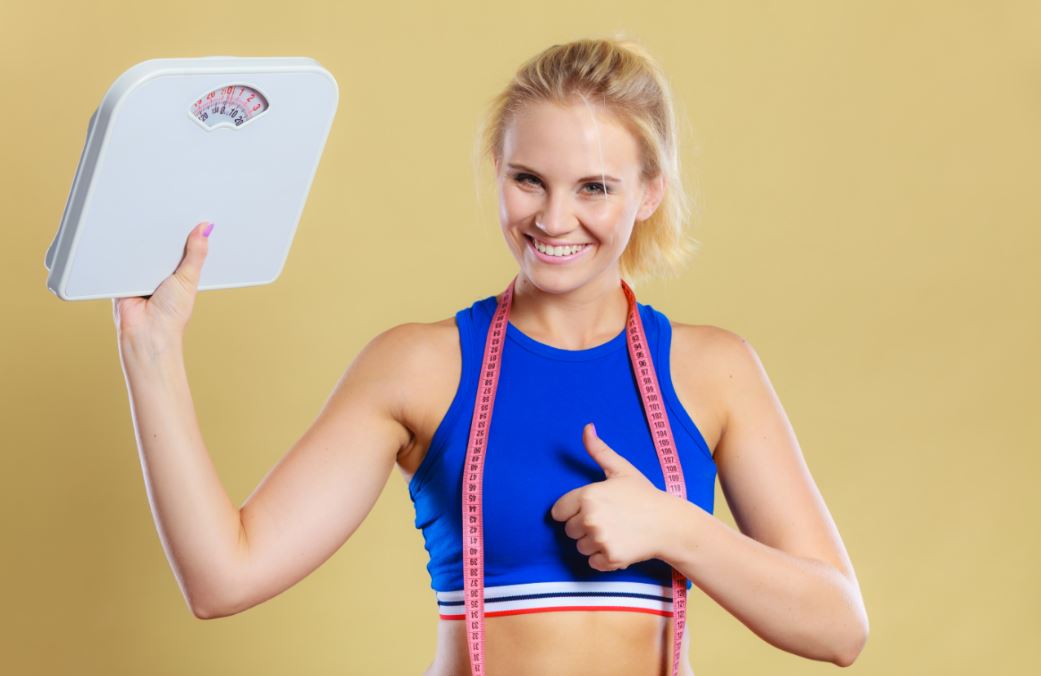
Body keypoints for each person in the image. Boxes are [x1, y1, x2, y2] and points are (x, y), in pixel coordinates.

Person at [113, 37, 868, 676]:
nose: (553, 218)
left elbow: (838, 628)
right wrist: (153, 352)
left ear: (648, 193)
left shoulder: (712, 372)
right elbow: (223, 577)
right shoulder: (419, 366)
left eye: (594, 187)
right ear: (498, 173)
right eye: (527, 180)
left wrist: (677, 529)